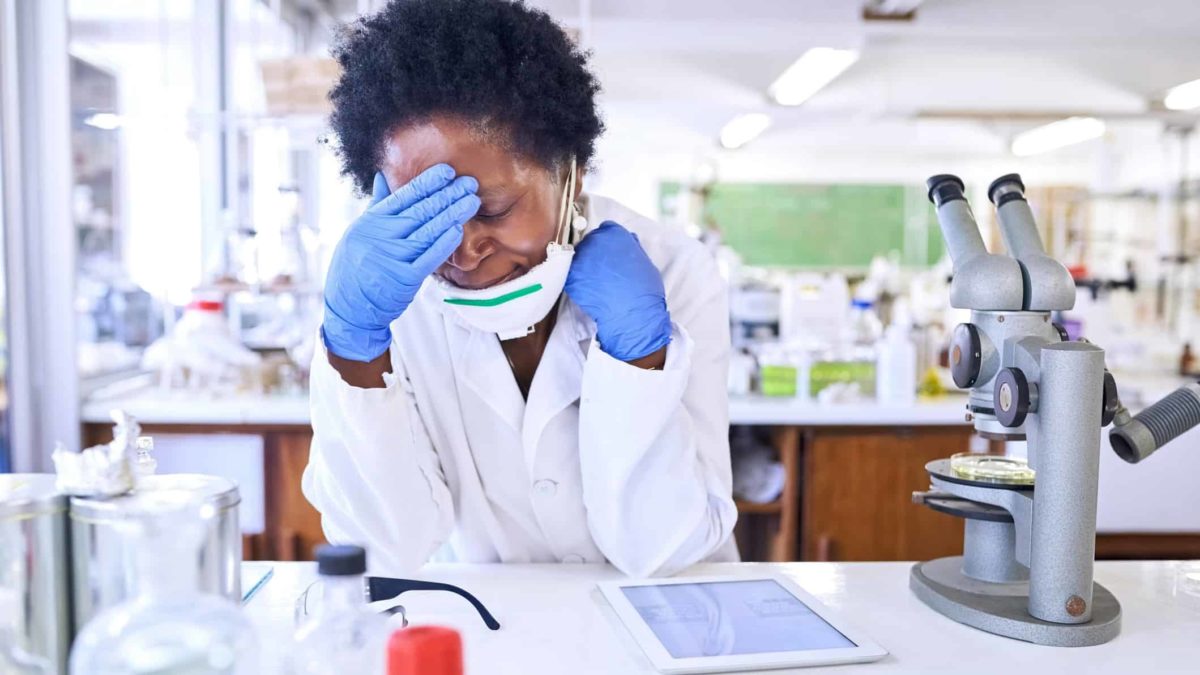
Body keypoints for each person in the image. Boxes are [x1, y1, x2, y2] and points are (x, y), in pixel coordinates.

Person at [303, 0, 737, 577]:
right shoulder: (387, 292)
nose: (461, 250)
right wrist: (354, 346)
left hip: (672, 621)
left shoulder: (673, 270)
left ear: (572, 175)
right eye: (427, 218)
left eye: (493, 208)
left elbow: (667, 549)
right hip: (495, 624)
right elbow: (384, 548)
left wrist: (644, 354)